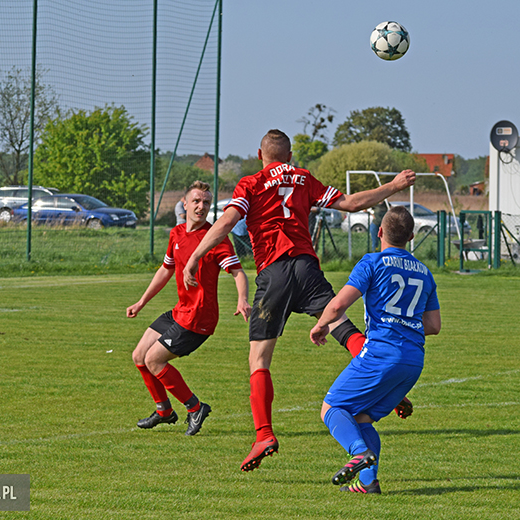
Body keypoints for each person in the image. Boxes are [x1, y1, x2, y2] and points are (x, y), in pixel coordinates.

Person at [182, 129, 416, 471]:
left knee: (259, 359)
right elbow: (351, 204)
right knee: (341, 326)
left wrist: (196, 255)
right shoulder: (304, 178)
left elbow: (228, 221)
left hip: (274, 273)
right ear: (290, 156)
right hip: (306, 268)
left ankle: (264, 434)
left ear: (260, 154)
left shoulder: (251, 183)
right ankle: (383, 380)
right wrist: (394, 186)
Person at [310, 206, 441, 494]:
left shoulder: (372, 263)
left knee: (331, 408)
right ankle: (369, 483)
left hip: (381, 352)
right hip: (413, 360)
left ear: (379, 232)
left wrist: (321, 325)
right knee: (361, 417)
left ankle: (357, 452)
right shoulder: (425, 272)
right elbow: (433, 325)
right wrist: (405, 320)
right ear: (411, 236)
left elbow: (337, 305)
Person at [127, 180, 251, 436]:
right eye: (196, 201)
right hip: (179, 311)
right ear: (184, 204)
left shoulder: (216, 238)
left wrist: (242, 299)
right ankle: (164, 411)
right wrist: (142, 301)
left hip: (198, 318)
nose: (201, 206)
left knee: (154, 359)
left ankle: (195, 407)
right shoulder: (177, 233)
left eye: (206, 202)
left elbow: (238, 273)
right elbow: (166, 269)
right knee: (139, 356)